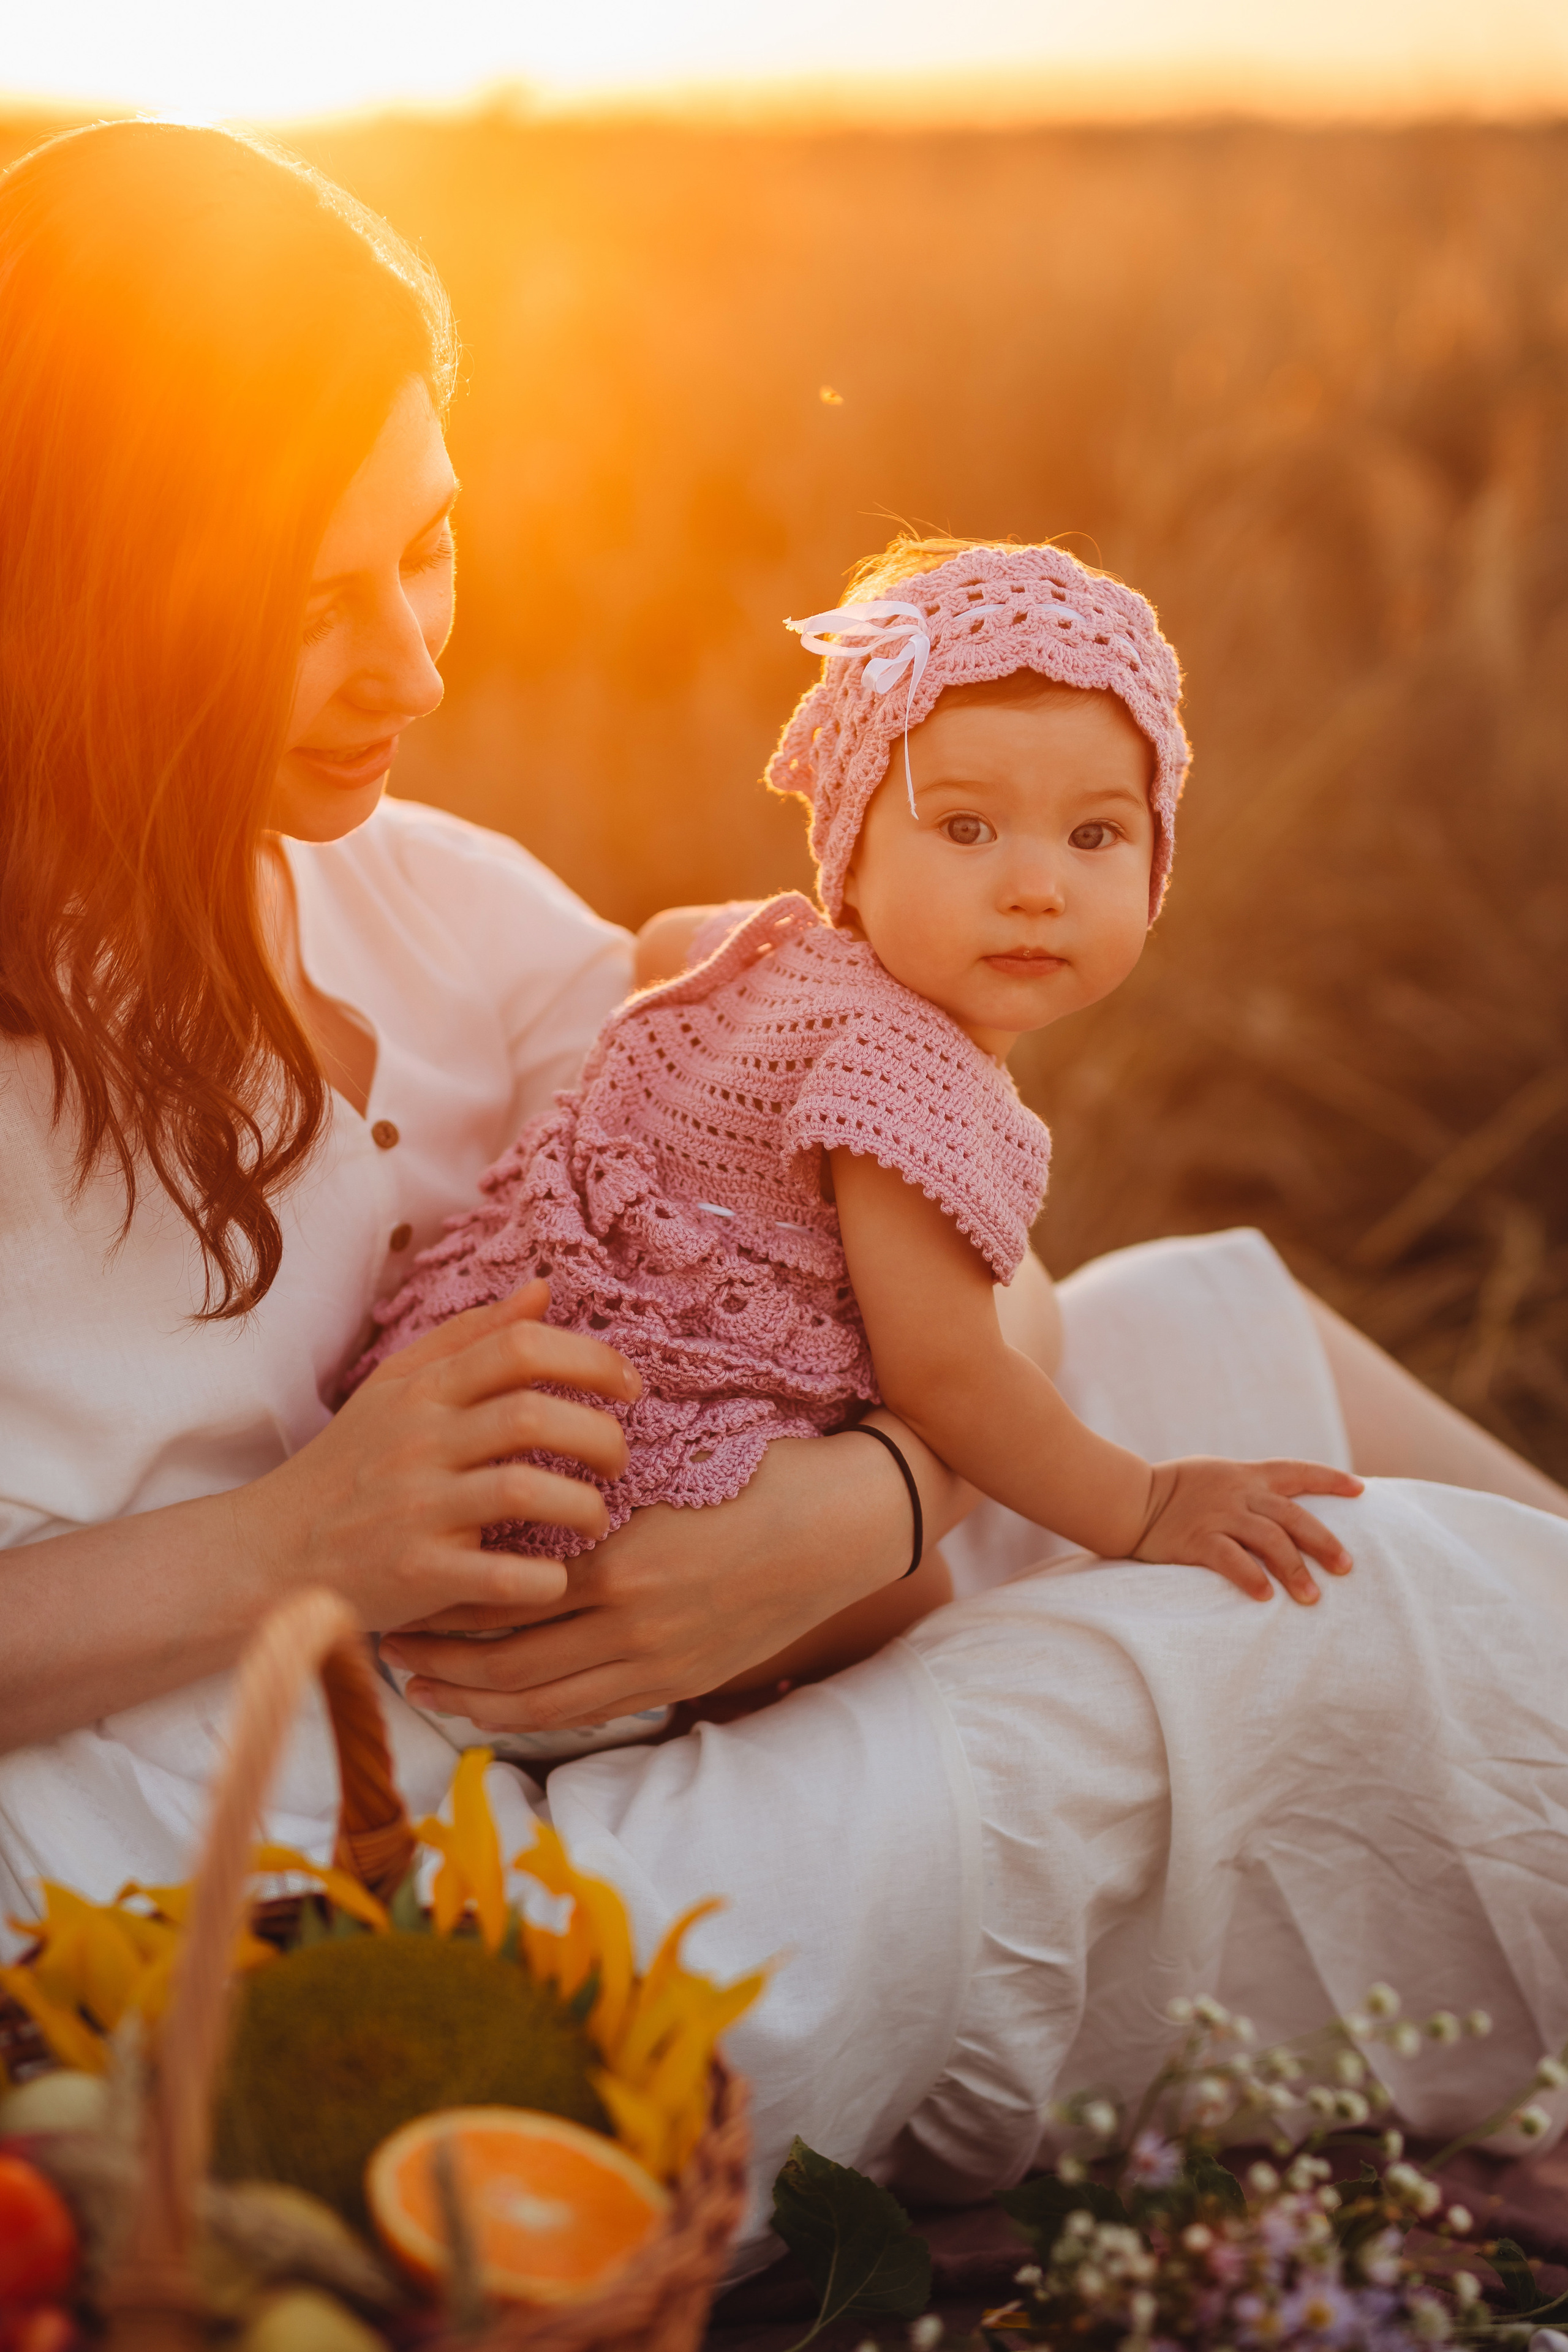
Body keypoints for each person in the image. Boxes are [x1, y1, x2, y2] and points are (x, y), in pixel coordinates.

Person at [4, 120, 1568, 2271]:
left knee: (1215, 1324)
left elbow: (962, 1259)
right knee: (1359, 1617)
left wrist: (863, 1514)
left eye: (428, 554)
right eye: (307, 603)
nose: (414, 668)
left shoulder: (432, 908)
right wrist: (292, 1543)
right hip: (382, 1924)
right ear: (88, 595)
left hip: (641, 1692)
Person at [357, 535, 1362, 1766]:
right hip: (595, 1565)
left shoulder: (763, 945)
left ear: (1154, 856)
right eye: (967, 829)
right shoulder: (905, 1080)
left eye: (1093, 837)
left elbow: (657, 944)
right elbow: (945, 1375)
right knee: (919, 1602)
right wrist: (1140, 1502)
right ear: (850, 846)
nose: (1036, 886)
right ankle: (689, 1745)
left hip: (463, 1462)